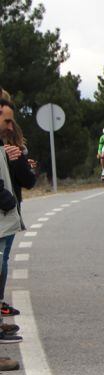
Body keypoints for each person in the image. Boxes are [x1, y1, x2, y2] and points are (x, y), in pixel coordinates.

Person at [0, 98, 34, 347]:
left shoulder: (9, 143)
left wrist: (20, 160)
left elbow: (27, 180)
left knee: (1, 264)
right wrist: (7, 200)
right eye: (7, 120)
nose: (10, 126)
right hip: (5, 210)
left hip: (8, 214)